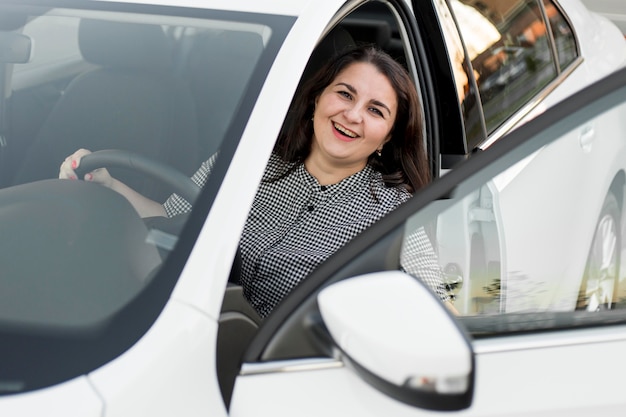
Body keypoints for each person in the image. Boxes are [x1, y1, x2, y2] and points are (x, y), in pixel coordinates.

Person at [60, 45, 453, 317]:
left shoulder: (396, 216)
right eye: (344, 94)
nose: (352, 115)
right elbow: (172, 218)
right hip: (184, 336)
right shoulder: (245, 164)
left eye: (375, 110)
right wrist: (108, 187)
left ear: (387, 136)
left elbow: (437, 309)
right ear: (317, 98)